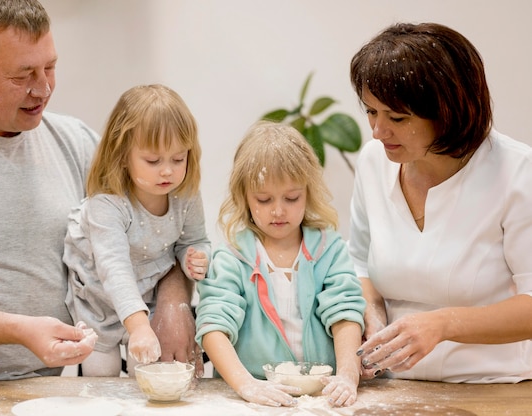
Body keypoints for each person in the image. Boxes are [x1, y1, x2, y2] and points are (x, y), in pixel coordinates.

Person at [0, 0, 200, 381]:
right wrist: (19, 330)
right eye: (22, 75)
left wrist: (174, 300)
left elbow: (159, 235)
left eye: (50, 67)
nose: (43, 88)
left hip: (54, 386)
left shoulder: (76, 141)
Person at [348, 22, 532, 383]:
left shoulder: (517, 173)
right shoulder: (373, 161)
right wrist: (370, 312)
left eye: (397, 118)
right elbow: (359, 263)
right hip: (394, 389)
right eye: (371, 112)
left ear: (448, 112)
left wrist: (443, 323)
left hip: (495, 389)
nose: (377, 131)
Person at [195, 121, 365, 407]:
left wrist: (348, 376)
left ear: (308, 192)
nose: (278, 210)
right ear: (244, 197)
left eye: (291, 198)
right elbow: (213, 326)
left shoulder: (329, 249)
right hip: (253, 397)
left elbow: (345, 314)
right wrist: (246, 385)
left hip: (323, 395)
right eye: (263, 199)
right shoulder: (234, 257)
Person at [63, 84, 211, 376]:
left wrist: (196, 257)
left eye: (178, 158)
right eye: (153, 161)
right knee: (100, 381)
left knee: (144, 379)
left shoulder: (186, 195)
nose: (167, 170)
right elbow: (114, 268)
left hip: (148, 294)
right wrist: (139, 326)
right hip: (99, 301)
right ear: (122, 155)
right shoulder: (107, 204)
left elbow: (194, 240)